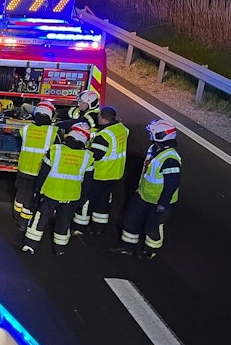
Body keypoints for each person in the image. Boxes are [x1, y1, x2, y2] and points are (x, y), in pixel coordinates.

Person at [111, 119, 181, 260]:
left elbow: (172, 184)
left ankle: (150, 251)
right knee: (131, 219)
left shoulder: (170, 159)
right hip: (143, 195)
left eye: (152, 133)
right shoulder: (154, 148)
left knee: (153, 227)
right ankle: (127, 246)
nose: (150, 135)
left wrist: (163, 203)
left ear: (161, 135)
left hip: (158, 200)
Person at [20, 124, 94, 256]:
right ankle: (59, 248)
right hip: (72, 196)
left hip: (51, 193)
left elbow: (43, 173)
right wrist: (84, 197)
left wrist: (37, 190)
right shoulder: (88, 157)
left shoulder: (55, 151)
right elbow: (88, 181)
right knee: (64, 222)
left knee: (40, 219)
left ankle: (30, 245)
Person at [72, 106, 129, 234]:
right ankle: (98, 227)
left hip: (100, 174)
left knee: (86, 200)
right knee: (103, 201)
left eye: (99, 117)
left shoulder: (103, 136)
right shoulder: (122, 129)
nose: (97, 119)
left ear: (103, 119)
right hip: (115, 173)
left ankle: (79, 227)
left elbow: (95, 156)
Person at [13, 100, 57, 229]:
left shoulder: (26, 129)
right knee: (31, 198)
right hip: (38, 171)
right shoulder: (53, 132)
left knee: (21, 193)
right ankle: (23, 222)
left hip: (23, 169)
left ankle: (16, 214)